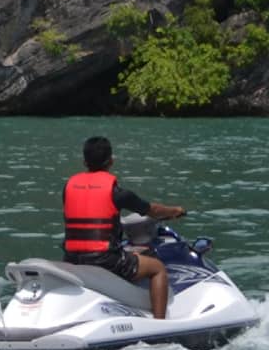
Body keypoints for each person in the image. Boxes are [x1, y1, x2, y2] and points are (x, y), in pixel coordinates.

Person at [62, 134, 186, 321]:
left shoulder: (68, 188)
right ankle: (160, 324)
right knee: (157, 268)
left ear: (84, 162)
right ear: (111, 161)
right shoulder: (118, 194)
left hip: (72, 260)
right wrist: (176, 210)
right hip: (105, 260)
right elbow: (153, 211)